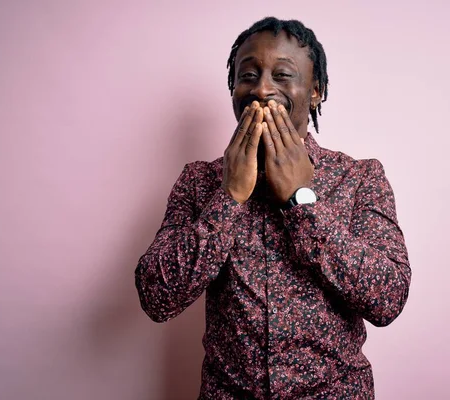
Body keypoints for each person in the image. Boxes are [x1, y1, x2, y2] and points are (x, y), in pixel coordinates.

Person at [135, 16, 411, 400]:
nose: (262, 88)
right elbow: (157, 296)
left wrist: (302, 199)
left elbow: (388, 299)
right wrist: (228, 198)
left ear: (316, 91)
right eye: (248, 75)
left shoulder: (360, 178)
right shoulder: (199, 181)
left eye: (282, 75)